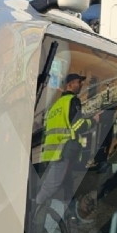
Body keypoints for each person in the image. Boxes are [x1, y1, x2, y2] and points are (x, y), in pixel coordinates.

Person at [36, 73, 96, 207]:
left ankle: (66, 210)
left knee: (67, 185)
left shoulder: (56, 105)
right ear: (70, 85)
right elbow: (77, 125)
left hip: (52, 152)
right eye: (78, 82)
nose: (81, 85)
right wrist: (93, 121)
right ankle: (34, 210)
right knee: (51, 186)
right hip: (64, 151)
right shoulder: (72, 101)